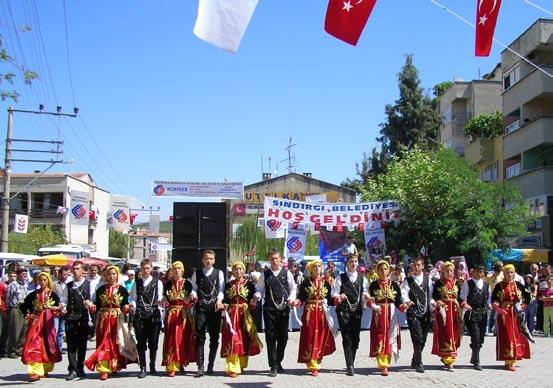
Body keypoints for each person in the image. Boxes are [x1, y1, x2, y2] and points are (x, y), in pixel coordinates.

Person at [84, 265, 137, 380]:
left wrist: (127, 307)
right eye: (109, 274)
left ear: (117, 275)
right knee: (104, 343)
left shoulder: (122, 290)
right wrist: (91, 306)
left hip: (117, 320)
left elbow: (124, 306)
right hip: (104, 320)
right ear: (105, 276)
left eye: (114, 274)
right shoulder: (100, 289)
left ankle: (114, 365)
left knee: (116, 343)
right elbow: (97, 305)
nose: (111, 276)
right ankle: (103, 368)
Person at [252, 249, 297, 377]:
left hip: (283, 309)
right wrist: (257, 295)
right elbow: (259, 289)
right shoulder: (265, 274)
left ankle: (278, 361)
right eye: (272, 259)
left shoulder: (286, 273)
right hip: (269, 310)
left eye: (277, 258)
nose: (275, 261)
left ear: (281, 259)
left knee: (283, 338)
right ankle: (273, 366)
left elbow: (293, 288)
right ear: (269, 260)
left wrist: (291, 299)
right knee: (270, 338)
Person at [295, 258, 336, 376]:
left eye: (319, 266)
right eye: (314, 266)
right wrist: (297, 302)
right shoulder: (306, 282)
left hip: (322, 312)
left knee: (321, 335)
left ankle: (317, 358)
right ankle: (312, 363)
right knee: (310, 336)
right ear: (310, 269)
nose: (317, 268)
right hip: (310, 312)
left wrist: (337, 300)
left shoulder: (326, 282)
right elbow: (301, 297)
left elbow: (329, 299)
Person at [221, 261, 262, 378]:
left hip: (244, 315)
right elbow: (225, 299)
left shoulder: (249, 285)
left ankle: (242, 364)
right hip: (231, 315)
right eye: (235, 269)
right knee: (232, 339)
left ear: (244, 271)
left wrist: (254, 301)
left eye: (240, 269)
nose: (238, 271)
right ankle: (232, 367)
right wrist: (224, 305)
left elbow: (253, 302)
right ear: (232, 271)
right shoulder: (228, 285)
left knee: (244, 338)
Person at [20, 272, 62, 381]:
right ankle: (35, 371)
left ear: (48, 281)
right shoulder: (34, 294)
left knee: (48, 344)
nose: (42, 282)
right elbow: (23, 305)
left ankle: (45, 368)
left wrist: (57, 310)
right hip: (36, 323)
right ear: (37, 281)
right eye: (40, 280)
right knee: (34, 343)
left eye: (44, 280)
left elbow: (59, 308)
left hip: (48, 323)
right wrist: (27, 315)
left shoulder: (53, 294)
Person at [189, 249, 225, 377]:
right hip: (201, 308)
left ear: (214, 260)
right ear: (202, 260)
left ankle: (211, 365)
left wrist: (220, 300)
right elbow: (194, 287)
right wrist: (193, 295)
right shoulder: (197, 273)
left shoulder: (219, 273)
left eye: (211, 259)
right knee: (200, 337)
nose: (208, 261)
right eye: (206, 258)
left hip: (214, 309)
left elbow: (221, 289)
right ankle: (201, 366)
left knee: (214, 337)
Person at [332, 254, 369, 376]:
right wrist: (339, 296)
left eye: (355, 261)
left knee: (355, 338)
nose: (353, 264)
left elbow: (365, 292)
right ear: (346, 264)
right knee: (347, 337)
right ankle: (350, 365)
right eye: (351, 262)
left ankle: (351, 361)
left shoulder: (362, 278)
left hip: (357, 310)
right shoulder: (340, 277)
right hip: (344, 311)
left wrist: (367, 297)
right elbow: (334, 293)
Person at [367, 260, 405, 376]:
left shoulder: (394, 285)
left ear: (388, 270)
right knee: (379, 336)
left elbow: (398, 301)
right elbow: (369, 301)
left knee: (390, 336)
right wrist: (371, 303)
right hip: (379, 314)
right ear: (377, 271)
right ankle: (382, 363)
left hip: (391, 313)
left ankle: (386, 362)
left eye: (385, 269)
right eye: (380, 269)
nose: (383, 271)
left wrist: (403, 306)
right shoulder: (373, 285)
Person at [491, 264, 531, 371]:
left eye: (512, 272)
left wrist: (523, 306)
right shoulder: (499, 286)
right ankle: (508, 359)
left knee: (517, 335)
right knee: (507, 336)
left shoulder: (518, 285)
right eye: (507, 272)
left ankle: (513, 359)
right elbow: (494, 298)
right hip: (504, 313)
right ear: (503, 273)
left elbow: (527, 296)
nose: (509, 274)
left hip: (516, 313)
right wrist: (495, 304)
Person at [130, 259, 163, 378]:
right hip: (140, 315)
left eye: (148, 268)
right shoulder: (136, 282)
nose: (146, 270)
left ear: (151, 269)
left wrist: (160, 302)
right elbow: (133, 297)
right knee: (141, 343)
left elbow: (160, 296)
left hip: (153, 315)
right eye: (144, 268)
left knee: (153, 342)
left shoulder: (157, 282)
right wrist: (132, 305)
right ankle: (142, 367)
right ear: (141, 269)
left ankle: (152, 365)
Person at [162, 261, 195, 376]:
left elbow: (191, 300)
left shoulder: (188, 284)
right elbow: (164, 298)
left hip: (184, 315)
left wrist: (190, 301)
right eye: (175, 268)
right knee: (171, 339)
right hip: (171, 314)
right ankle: (171, 365)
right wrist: (164, 301)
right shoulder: (167, 284)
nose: (177, 271)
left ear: (183, 270)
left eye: (179, 268)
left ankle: (181, 363)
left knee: (183, 339)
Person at [401, 256, 433, 373]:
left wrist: (433, 305)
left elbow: (430, 296)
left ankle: (415, 358)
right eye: (414, 265)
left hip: (425, 312)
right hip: (413, 312)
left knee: (423, 338)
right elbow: (404, 294)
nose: (416, 267)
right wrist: (406, 301)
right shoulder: (408, 280)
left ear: (423, 266)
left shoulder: (427, 280)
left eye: (418, 265)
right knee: (417, 337)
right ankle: (419, 363)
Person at [63, 261, 93, 381]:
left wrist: (90, 303)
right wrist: (62, 306)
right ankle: (72, 369)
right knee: (71, 345)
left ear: (82, 271)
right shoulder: (69, 285)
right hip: (71, 318)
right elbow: (64, 299)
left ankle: (80, 367)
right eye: (74, 269)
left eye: (77, 269)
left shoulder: (88, 284)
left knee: (82, 345)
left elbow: (92, 299)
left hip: (83, 319)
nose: (75, 271)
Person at [431, 261, 463, 371]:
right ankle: (448, 359)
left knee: (454, 333)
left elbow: (459, 297)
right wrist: (438, 302)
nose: (450, 273)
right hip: (444, 311)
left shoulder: (456, 282)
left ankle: (449, 357)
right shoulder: (439, 283)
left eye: (451, 271)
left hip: (454, 311)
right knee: (446, 333)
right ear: (443, 272)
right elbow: (435, 296)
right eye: (447, 271)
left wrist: (463, 303)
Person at [461, 264, 489, 371]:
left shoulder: (486, 284)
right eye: (477, 271)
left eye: (481, 271)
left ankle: (474, 355)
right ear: (473, 272)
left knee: (481, 338)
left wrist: (490, 306)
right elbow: (463, 297)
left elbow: (488, 298)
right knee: (475, 337)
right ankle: (477, 362)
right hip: (472, 313)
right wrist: (465, 305)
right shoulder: (468, 284)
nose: (479, 273)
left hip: (483, 313)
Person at [6, 267, 29, 358]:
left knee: (24, 330)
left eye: (25, 273)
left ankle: (19, 350)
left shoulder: (25, 285)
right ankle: (11, 351)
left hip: (24, 309)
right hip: (15, 309)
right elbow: (8, 298)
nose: (24, 275)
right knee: (15, 331)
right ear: (18, 274)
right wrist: (9, 309)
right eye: (22, 273)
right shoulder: (13, 284)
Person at [54, 266, 71, 353]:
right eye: (64, 274)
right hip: (55, 311)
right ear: (59, 274)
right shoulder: (54, 284)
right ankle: (54, 348)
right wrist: (58, 305)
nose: (66, 276)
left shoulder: (68, 285)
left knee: (61, 330)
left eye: (67, 275)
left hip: (64, 311)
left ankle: (59, 348)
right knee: (55, 330)